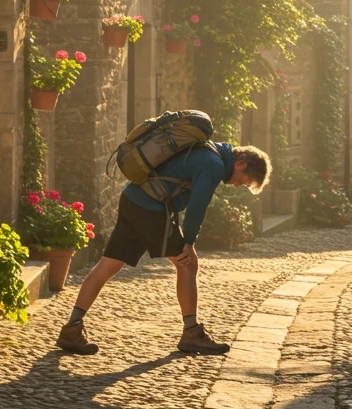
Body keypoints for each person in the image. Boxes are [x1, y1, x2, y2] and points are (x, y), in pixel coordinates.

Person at [56, 142, 271, 355]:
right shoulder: (213, 165)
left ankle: (71, 328)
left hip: (133, 198)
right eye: (242, 181)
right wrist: (189, 242)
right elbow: (198, 206)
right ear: (241, 164)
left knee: (109, 263)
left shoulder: (208, 150)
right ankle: (191, 333)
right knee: (188, 264)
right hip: (150, 208)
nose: (236, 185)